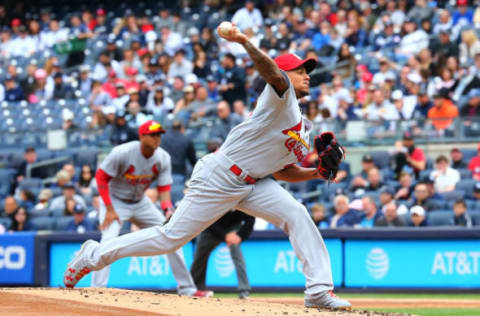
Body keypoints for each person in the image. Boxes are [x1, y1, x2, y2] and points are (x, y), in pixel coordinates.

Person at [64, 25, 351, 310]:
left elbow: (281, 171)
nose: (306, 75)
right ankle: (93, 255)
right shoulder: (281, 97)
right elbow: (271, 72)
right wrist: (244, 41)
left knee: (297, 214)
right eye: (299, 70)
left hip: (254, 183)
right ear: (286, 75)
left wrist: (316, 172)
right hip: (221, 174)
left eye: (307, 71)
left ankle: (318, 290)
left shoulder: (303, 129)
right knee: (168, 239)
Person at [85, 120, 209, 297]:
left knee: (172, 236)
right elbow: (101, 177)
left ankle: (187, 289)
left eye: (159, 134)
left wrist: (167, 210)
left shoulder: (163, 157)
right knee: (108, 239)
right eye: (152, 134)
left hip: (141, 202)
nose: (156, 138)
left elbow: (164, 189)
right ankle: (96, 289)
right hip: (115, 201)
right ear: (141, 136)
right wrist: (109, 209)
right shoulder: (122, 152)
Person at [190, 210, 255, 299]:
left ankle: (244, 291)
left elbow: (250, 220)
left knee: (237, 254)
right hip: (211, 228)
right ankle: (194, 289)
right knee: (199, 257)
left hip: (233, 229)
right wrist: (225, 236)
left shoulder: (243, 198)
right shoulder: (217, 196)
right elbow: (208, 217)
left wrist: (240, 236)